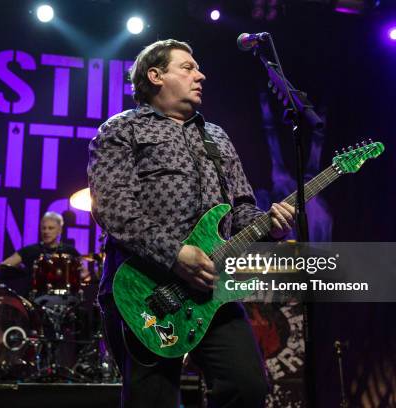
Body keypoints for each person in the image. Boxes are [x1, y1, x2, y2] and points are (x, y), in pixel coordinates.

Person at [87, 39, 295, 407]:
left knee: (247, 388)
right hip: (145, 291)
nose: (201, 75)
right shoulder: (121, 131)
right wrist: (175, 255)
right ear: (156, 75)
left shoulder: (217, 136)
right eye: (187, 67)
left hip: (212, 292)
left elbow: (241, 210)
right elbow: (113, 208)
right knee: (153, 399)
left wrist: (270, 227)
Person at [2, 211, 82, 296]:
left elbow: (84, 273)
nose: (46, 231)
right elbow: (5, 265)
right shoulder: (30, 250)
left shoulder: (70, 251)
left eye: (50, 228)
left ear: (60, 230)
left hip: (64, 298)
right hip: (35, 299)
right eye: (43, 228)